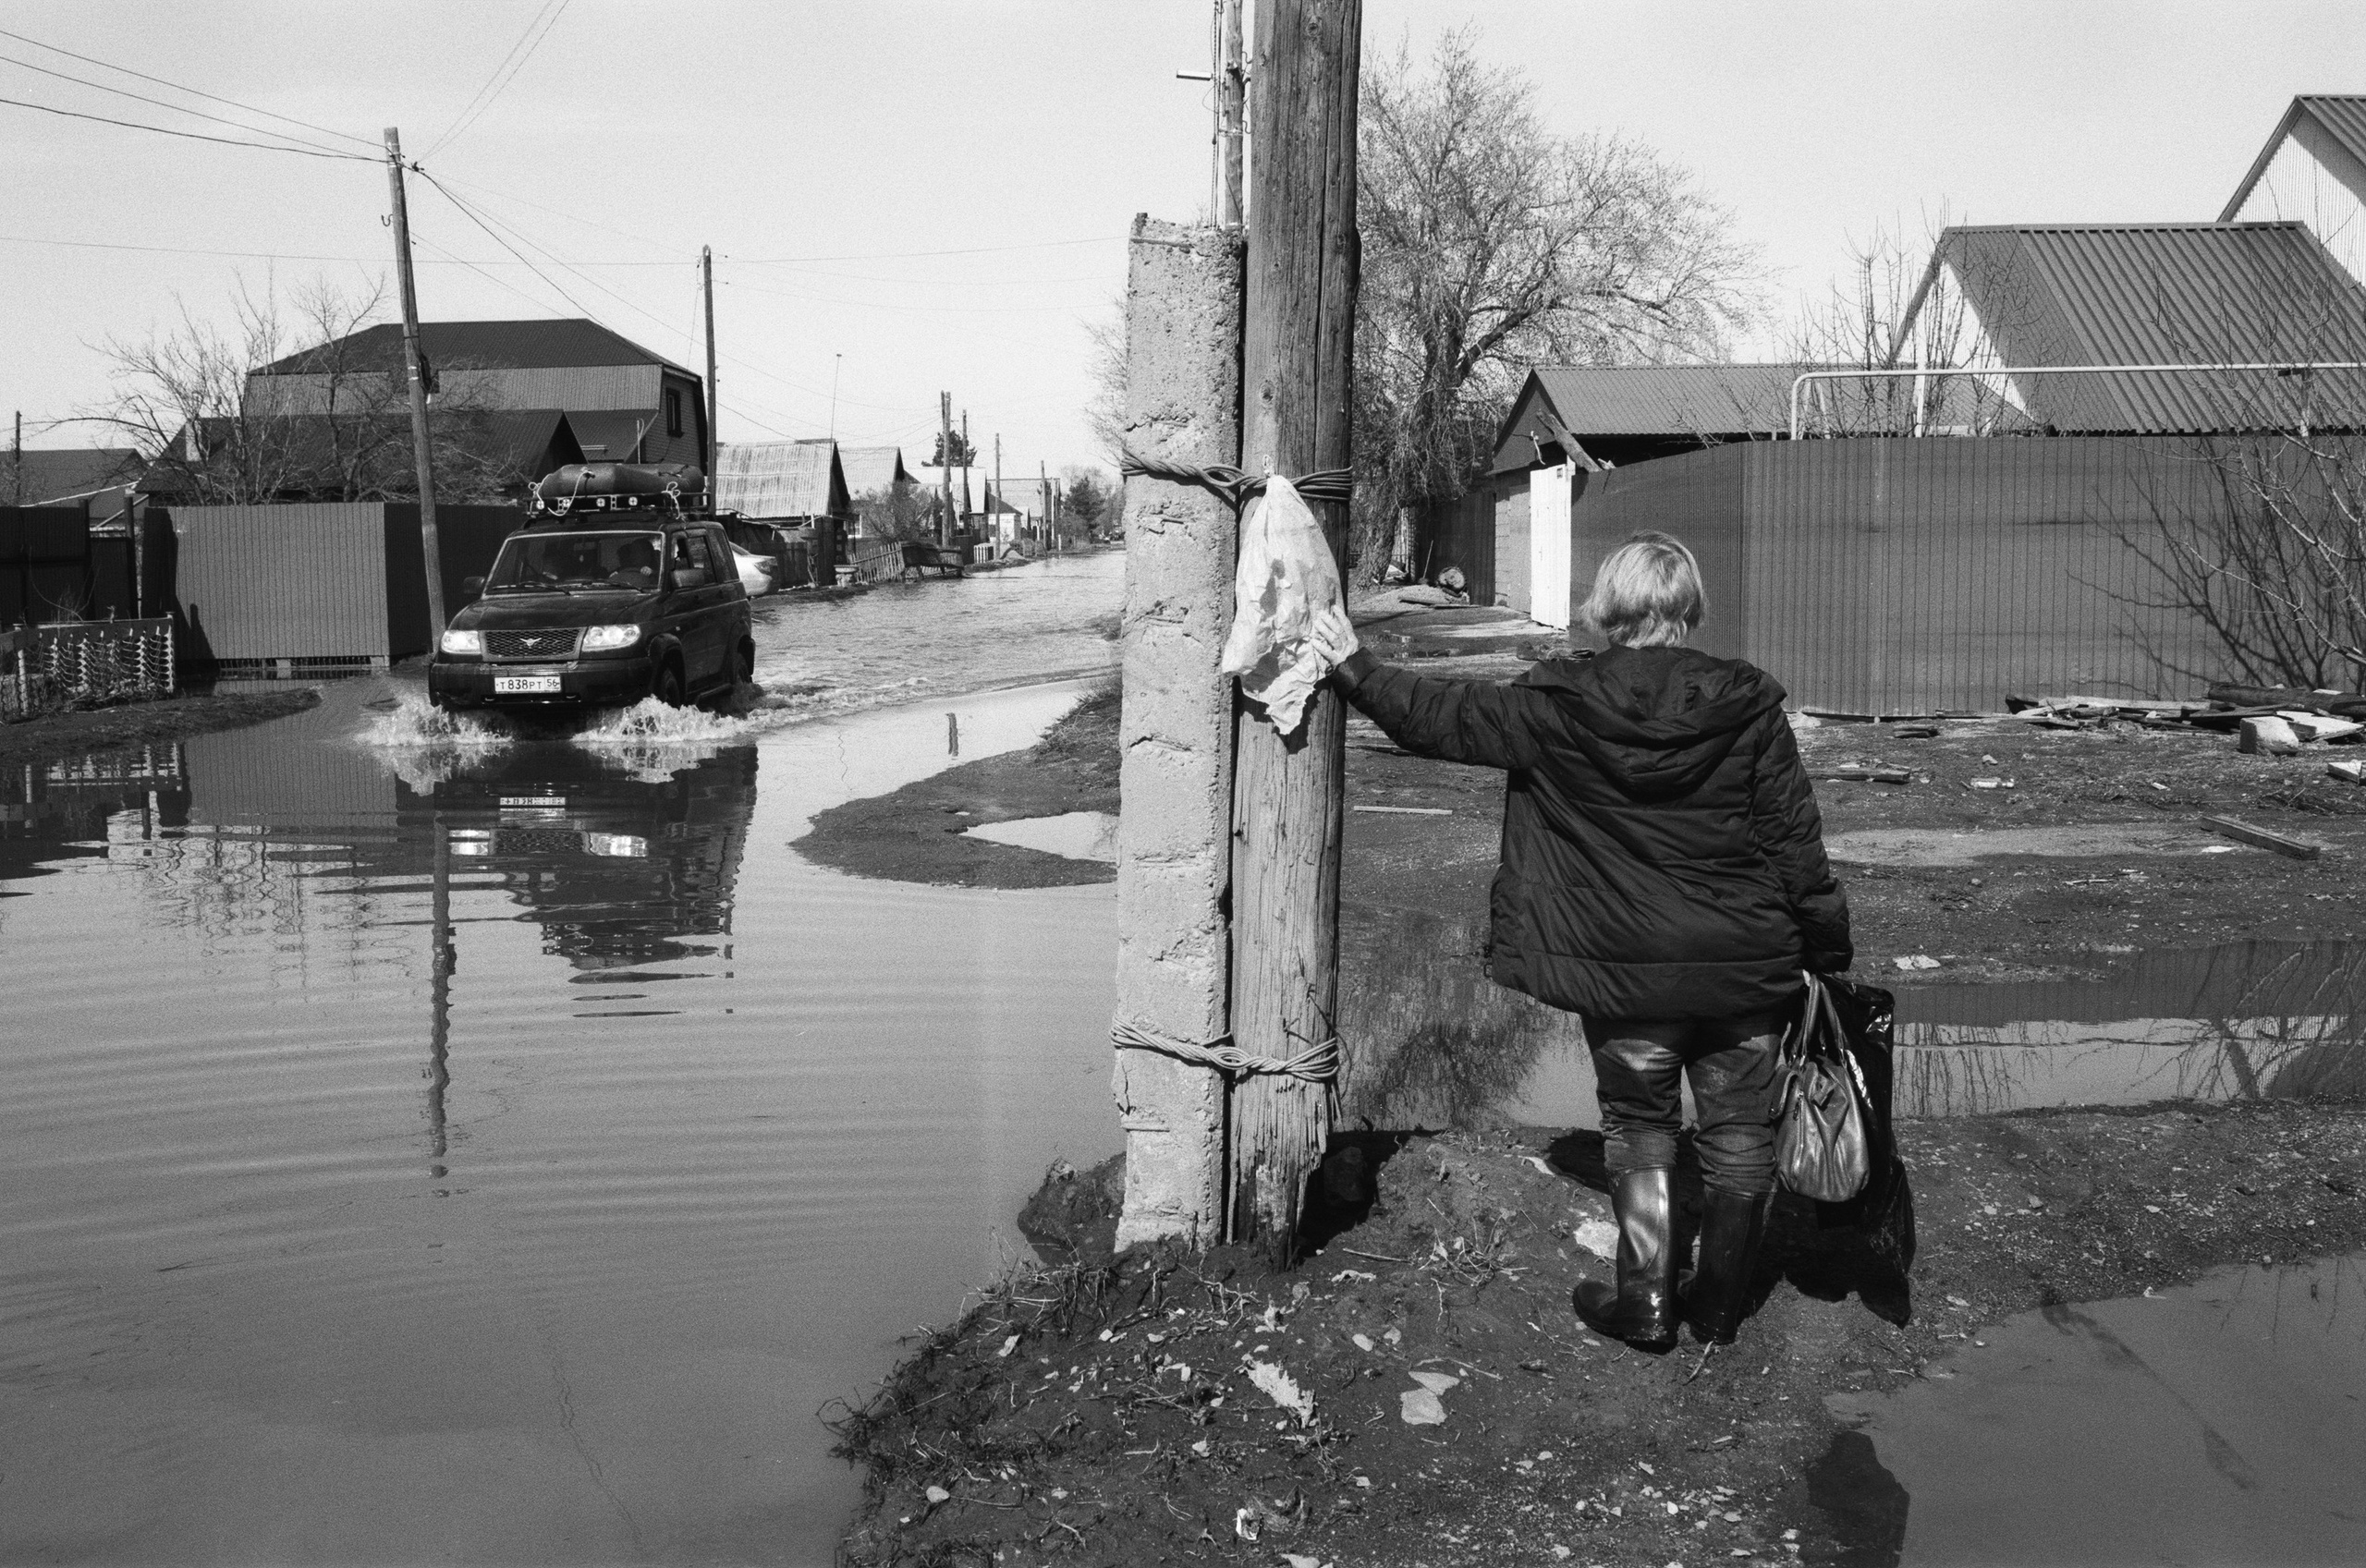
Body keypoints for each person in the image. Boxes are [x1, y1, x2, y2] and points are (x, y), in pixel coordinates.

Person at [1310, 531, 1850, 1352]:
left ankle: (1647, 1307)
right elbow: (1795, 845)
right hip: (1745, 965)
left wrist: (1353, 666)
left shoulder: (1559, 704)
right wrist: (1827, 944)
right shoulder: (1747, 708)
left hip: (1624, 968)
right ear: (1687, 606)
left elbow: (1441, 719)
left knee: (1640, 1124)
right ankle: (1717, 1307)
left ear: (1610, 605)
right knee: (1741, 1133)